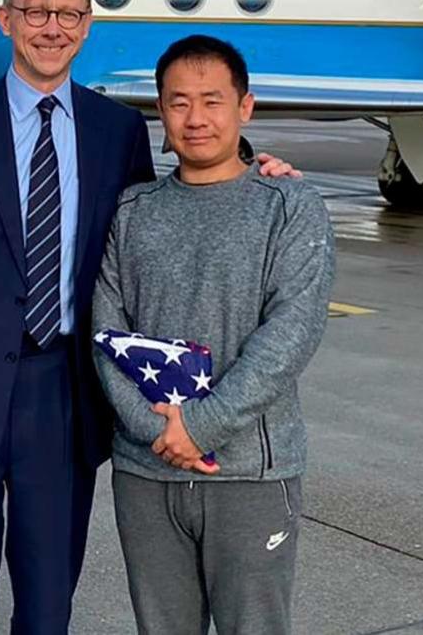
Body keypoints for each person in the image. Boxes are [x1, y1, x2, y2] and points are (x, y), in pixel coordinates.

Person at [0, 0, 297, 635]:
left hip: (65, 401)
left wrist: (259, 169)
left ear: (86, 26)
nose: (53, 26)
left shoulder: (117, 132)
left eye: (70, 12)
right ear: (6, 20)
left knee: (48, 613)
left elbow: (168, 206)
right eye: (37, 11)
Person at [92, 35, 335, 635]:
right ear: (160, 111)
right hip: (146, 471)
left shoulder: (290, 206)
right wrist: (157, 433)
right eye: (178, 103)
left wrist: (198, 427)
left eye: (212, 101)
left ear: (244, 107)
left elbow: (291, 332)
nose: (195, 119)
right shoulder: (131, 211)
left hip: (251, 473)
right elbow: (106, 332)